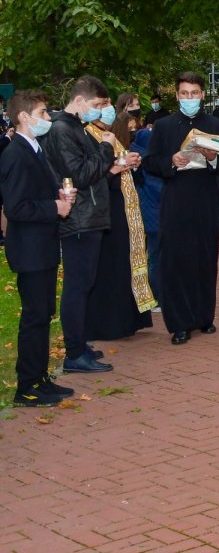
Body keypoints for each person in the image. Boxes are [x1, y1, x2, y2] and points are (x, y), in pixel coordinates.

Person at [142, 72, 219, 345]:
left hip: (206, 199)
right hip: (175, 199)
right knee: (176, 260)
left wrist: (215, 158)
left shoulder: (217, 124)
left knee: (205, 258)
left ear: (203, 95)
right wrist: (170, 161)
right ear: (178, 96)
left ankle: (205, 317)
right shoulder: (165, 126)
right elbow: (150, 162)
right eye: (184, 94)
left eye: (194, 93)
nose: (189, 98)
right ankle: (179, 323)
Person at [1, 90, 77, 406]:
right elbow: (16, 207)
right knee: (34, 317)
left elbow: (39, 191)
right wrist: (53, 208)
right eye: (44, 113)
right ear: (24, 117)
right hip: (29, 250)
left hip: (42, 247)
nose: (48, 118)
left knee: (43, 314)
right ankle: (27, 386)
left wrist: (60, 196)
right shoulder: (15, 153)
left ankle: (40, 377)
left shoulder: (34, 149)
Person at [42, 75, 117, 374]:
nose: (99, 111)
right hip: (78, 219)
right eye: (97, 105)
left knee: (85, 284)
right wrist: (108, 150)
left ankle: (79, 342)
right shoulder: (62, 130)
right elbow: (80, 174)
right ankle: (73, 353)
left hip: (90, 215)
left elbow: (91, 173)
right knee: (77, 285)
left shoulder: (78, 129)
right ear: (80, 100)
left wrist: (112, 166)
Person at [85, 104, 154, 341]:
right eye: (101, 105)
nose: (107, 110)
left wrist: (129, 163)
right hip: (106, 209)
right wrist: (118, 166)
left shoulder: (108, 134)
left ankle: (127, 320)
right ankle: (109, 323)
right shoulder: (87, 134)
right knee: (110, 265)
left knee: (122, 263)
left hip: (121, 206)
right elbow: (92, 174)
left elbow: (115, 165)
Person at [129, 122, 163, 303]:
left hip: (148, 215)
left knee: (152, 255)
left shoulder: (138, 159)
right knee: (156, 257)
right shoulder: (148, 164)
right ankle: (155, 294)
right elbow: (159, 190)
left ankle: (154, 292)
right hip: (154, 216)